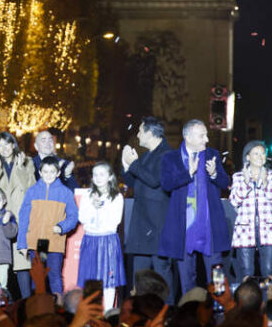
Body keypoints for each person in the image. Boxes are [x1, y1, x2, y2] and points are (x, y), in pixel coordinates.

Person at [159, 120, 230, 296]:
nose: (206, 139)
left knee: (216, 279)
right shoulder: (171, 158)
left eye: (206, 135)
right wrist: (187, 173)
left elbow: (225, 182)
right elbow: (166, 185)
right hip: (184, 228)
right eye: (202, 135)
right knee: (186, 279)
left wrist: (214, 173)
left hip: (209, 227)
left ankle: (218, 312)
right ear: (188, 137)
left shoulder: (212, 155)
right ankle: (189, 314)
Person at [121, 116, 173, 299]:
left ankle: (167, 312)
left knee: (161, 273)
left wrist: (134, 164)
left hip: (157, 224)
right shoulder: (148, 155)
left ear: (150, 133)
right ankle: (140, 312)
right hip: (142, 224)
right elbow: (133, 181)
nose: (137, 134)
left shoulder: (166, 154)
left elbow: (153, 180)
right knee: (139, 274)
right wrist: (126, 164)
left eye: (140, 131)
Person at [0, 131, 36, 297]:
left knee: (22, 266)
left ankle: (27, 304)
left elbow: (31, 190)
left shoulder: (27, 162)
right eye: (0, 146)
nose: (4, 149)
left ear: (13, 144)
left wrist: (20, 169)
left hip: (21, 219)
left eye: (7, 144)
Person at [17, 156, 79, 295]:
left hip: (54, 240)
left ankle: (59, 308)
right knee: (37, 277)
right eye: (45, 171)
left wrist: (62, 227)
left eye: (52, 172)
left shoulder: (65, 193)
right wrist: (22, 243)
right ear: (40, 172)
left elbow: (74, 216)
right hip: (37, 242)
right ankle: (37, 308)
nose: (49, 175)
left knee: (54, 276)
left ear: (58, 173)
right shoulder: (32, 191)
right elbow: (23, 218)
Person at [229, 140, 272, 281]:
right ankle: (248, 302)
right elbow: (234, 201)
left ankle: (270, 301)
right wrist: (246, 183)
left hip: (269, 230)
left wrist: (265, 184)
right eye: (256, 153)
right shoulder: (238, 177)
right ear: (248, 157)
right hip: (245, 230)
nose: (260, 157)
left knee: (269, 270)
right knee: (246, 271)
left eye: (262, 154)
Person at [77, 162, 126, 312]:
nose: (98, 178)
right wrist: (93, 208)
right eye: (95, 174)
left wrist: (101, 209)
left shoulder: (116, 197)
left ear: (110, 177)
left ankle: (109, 313)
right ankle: (91, 313)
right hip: (91, 240)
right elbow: (82, 218)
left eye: (102, 174)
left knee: (109, 281)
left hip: (107, 241)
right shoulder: (87, 195)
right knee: (90, 280)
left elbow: (114, 221)